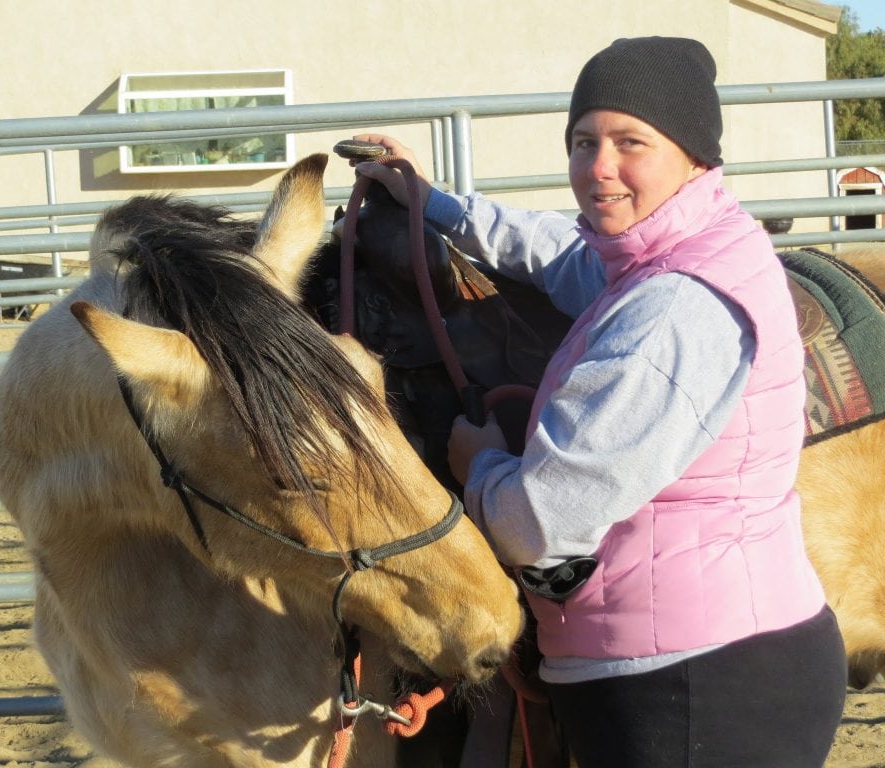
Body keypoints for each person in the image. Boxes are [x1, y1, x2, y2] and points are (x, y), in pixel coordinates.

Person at [351, 36, 847, 768]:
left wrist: (480, 462)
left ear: (695, 156)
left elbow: (538, 524)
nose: (599, 168)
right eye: (584, 142)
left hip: (685, 686)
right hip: (699, 660)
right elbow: (564, 254)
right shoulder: (678, 252)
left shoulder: (674, 310)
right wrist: (441, 206)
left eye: (630, 142)